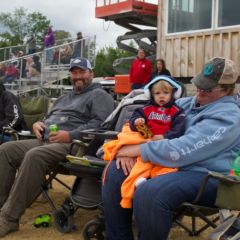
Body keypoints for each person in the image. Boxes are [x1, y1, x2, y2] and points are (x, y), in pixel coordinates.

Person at [102, 57, 240, 240]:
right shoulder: (187, 103)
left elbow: (184, 149)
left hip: (207, 176)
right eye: (199, 84)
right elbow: (143, 119)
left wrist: (139, 150)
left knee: (150, 193)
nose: (199, 90)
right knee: (115, 172)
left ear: (226, 90)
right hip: (168, 167)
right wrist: (126, 145)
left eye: (207, 88)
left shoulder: (230, 117)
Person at [0, 57, 115, 237]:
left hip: (74, 146)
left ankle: (8, 219)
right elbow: (49, 118)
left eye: (82, 72)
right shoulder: (64, 97)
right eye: (74, 72)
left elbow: (101, 126)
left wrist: (70, 135)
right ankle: (2, 204)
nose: (78, 76)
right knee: (6, 150)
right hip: (46, 140)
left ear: (91, 73)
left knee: (34, 155)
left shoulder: (100, 95)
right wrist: (38, 124)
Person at [103, 76, 185, 209]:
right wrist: (137, 122)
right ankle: (137, 181)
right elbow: (134, 120)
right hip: (145, 139)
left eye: (165, 93)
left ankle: (150, 182)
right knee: (140, 160)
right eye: (157, 93)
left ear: (173, 93)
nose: (161, 96)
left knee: (166, 167)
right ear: (151, 95)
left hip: (163, 144)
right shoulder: (146, 108)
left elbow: (179, 130)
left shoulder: (177, 112)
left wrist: (165, 136)